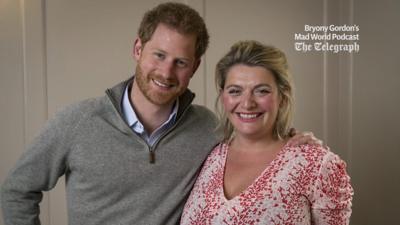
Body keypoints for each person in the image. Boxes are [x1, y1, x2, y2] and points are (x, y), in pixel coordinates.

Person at [1, 3, 321, 225]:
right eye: (159, 55)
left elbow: (251, 145)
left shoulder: (207, 129)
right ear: (138, 50)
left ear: (194, 67)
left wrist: (287, 143)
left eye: (180, 62)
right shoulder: (76, 122)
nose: (166, 72)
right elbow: (17, 189)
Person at [181, 41, 354, 225]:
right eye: (235, 91)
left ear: (282, 96)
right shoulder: (208, 155)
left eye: (261, 91)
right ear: (223, 96)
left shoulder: (316, 165)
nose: (247, 103)